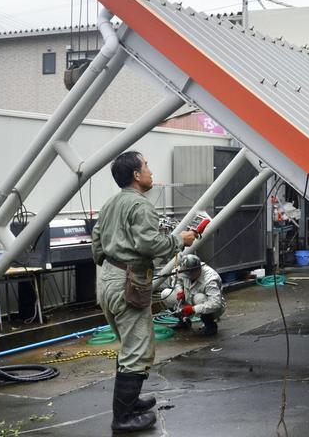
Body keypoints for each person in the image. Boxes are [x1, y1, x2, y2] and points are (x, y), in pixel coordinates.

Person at [92, 150, 196, 433]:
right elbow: (150, 245)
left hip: (108, 280)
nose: (151, 170)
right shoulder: (140, 205)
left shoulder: (111, 203)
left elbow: (97, 241)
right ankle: (123, 418)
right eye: (147, 166)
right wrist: (179, 240)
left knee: (128, 345)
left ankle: (131, 401)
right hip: (128, 281)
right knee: (138, 348)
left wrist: (112, 265)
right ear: (136, 175)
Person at [174, 254, 226, 336]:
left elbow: (216, 303)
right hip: (188, 297)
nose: (187, 277)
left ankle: (210, 325)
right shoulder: (183, 269)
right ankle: (183, 321)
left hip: (212, 307)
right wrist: (180, 291)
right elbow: (177, 281)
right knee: (165, 294)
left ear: (198, 270)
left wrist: (193, 309)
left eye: (189, 275)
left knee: (200, 298)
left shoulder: (211, 279)